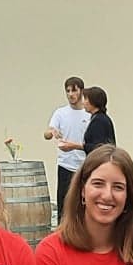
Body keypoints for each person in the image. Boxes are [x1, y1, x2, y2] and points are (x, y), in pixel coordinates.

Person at [45, 76, 91, 211]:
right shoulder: (60, 113)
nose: (71, 94)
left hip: (85, 165)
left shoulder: (88, 114)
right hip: (65, 164)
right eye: (68, 91)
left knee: (83, 206)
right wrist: (52, 132)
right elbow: (47, 133)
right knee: (64, 206)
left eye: (74, 91)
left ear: (81, 91)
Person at [82, 85, 116, 154]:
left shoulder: (99, 120)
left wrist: (76, 146)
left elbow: (99, 147)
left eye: (85, 99)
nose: (83, 102)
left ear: (93, 101)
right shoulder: (100, 118)